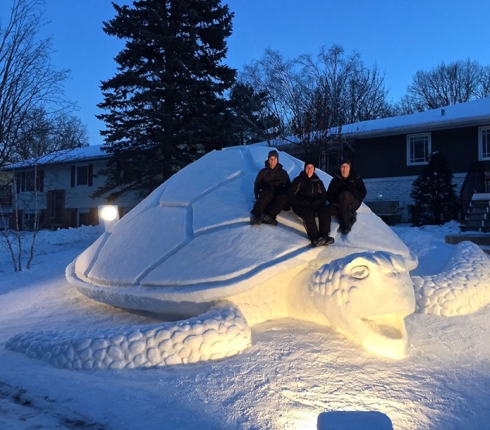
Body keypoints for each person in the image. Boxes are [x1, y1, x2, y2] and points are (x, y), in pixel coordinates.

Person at [289, 160, 334, 247]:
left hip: (314, 203)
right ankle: (314, 237)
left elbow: (324, 194)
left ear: (314, 169)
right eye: (308, 167)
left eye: (311, 167)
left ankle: (324, 235)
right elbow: (291, 194)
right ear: (305, 168)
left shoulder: (317, 181)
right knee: (308, 213)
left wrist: (319, 201)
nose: (310, 169)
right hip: (300, 204)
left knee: (325, 210)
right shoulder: (299, 180)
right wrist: (301, 201)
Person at [326, 158, 367, 235]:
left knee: (345, 195)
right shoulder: (335, 180)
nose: (345, 169)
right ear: (340, 168)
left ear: (349, 167)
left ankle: (346, 225)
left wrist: (351, 190)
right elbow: (329, 194)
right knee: (325, 210)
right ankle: (350, 215)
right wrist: (335, 201)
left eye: (346, 166)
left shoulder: (356, 178)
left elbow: (363, 192)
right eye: (343, 166)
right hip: (338, 203)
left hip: (353, 202)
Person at [250, 150, 290, 226]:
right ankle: (256, 215)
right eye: (271, 159)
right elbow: (257, 185)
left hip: (278, 194)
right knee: (267, 194)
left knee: (283, 197)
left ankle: (268, 216)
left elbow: (289, 186)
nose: (273, 161)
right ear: (268, 160)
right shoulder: (263, 172)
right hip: (267, 193)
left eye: (275, 158)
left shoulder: (283, 173)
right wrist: (257, 195)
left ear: (277, 160)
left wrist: (288, 201)